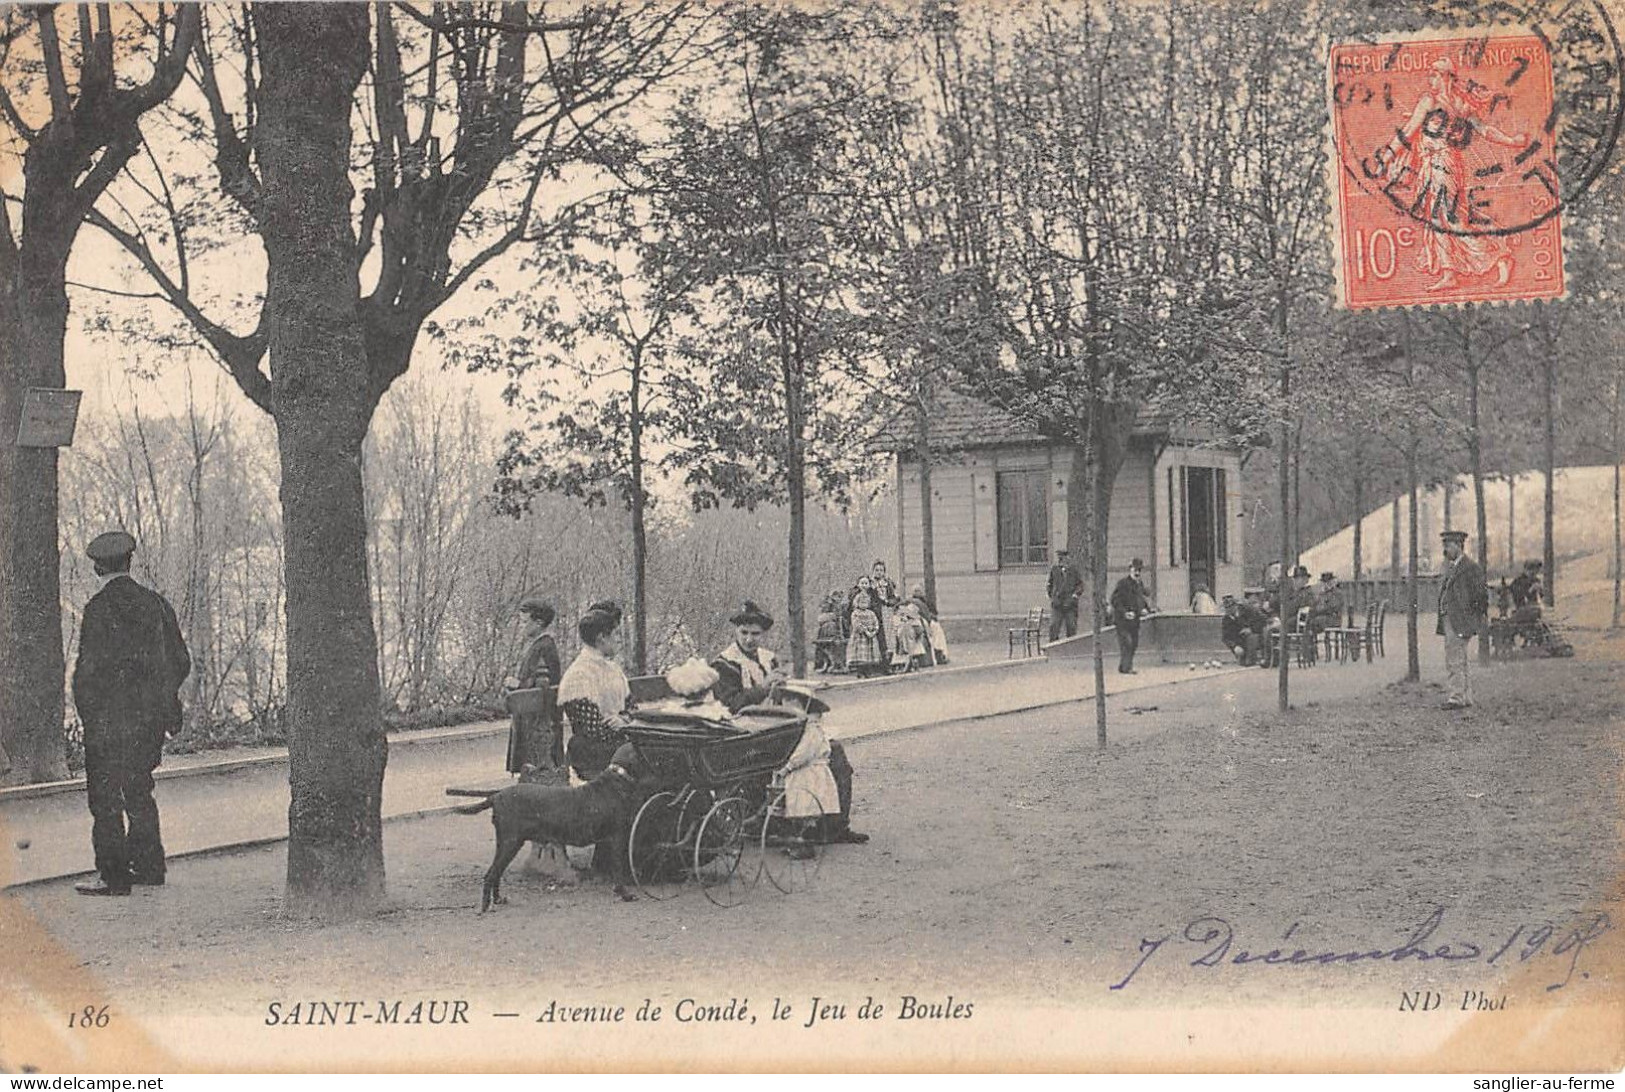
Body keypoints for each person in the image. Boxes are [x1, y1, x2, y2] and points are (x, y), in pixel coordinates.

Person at [70, 531, 191, 896]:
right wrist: (160, 702)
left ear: (96, 567)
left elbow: (87, 674)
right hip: (148, 723)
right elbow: (180, 661)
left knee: (106, 798)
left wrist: (89, 714)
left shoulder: (97, 610)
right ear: (129, 562)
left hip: (108, 723)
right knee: (140, 789)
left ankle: (113, 876)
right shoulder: (156, 605)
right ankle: (150, 867)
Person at [709, 602, 867, 845]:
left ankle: (835, 825)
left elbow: (782, 697)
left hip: (776, 729)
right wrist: (762, 688)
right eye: (744, 633)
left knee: (833, 751)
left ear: (763, 634)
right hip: (746, 737)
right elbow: (731, 705)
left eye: (755, 634)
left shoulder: (768, 659)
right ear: (735, 632)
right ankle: (792, 824)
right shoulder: (724, 664)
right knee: (809, 756)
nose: (750, 639)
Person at [556, 609, 632, 781]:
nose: (619, 640)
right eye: (616, 635)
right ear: (601, 638)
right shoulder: (579, 676)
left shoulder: (613, 669)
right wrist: (627, 728)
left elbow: (633, 708)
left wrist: (625, 721)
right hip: (593, 751)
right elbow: (591, 730)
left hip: (617, 742)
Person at [504, 598, 562, 773]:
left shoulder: (543, 647)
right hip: (536, 719)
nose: (521, 626)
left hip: (537, 722)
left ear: (538, 623)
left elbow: (542, 686)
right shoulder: (543, 645)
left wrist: (517, 684)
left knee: (534, 768)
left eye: (524, 622)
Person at [1437, 529, 1488, 709]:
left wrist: (1471, 617)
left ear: (1459, 546)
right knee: (1460, 658)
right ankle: (1465, 696)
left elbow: (1481, 596)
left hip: (1459, 619)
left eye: (1448, 546)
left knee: (1455, 659)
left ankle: (1457, 697)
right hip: (1451, 618)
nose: (1445, 550)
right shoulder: (1452, 567)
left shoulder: (1470, 568)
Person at [1109, 558, 1153, 674]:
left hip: (1134, 621)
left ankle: (1124, 666)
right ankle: (1127, 668)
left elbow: (1140, 600)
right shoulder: (1123, 583)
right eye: (1135, 570)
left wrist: (1145, 609)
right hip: (1122, 621)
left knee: (1133, 643)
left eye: (1139, 570)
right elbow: (1115, 600)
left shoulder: (1139, 584)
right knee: (1126, 642)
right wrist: (1124, 613)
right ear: (1130, 569)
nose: (1137, 573)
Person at [844, 591, 885, 676]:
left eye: (866, 602)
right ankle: (860, 672)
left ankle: (868, 671)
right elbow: (856, 624)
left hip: (870, 637)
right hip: (860, 637)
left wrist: (874, 631)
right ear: (857, 603)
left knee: (869, 655)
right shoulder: (855, 613)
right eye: (862, 602)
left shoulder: (871, 613)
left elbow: (876, 623)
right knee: (860, 655)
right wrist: (865, 631)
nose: (864, 604)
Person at [908, 583, 950, 665]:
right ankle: (938, 652)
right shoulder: (911, 601)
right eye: (915, 591)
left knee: (937, 628)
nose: (917, 593)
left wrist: (930, 617)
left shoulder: (926, 601)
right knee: (934, 628)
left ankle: (940, 652)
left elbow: (932, 612)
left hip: (928, 621)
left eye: (919, 590)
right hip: (919, 621)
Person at [1047, 548, 1084, 640]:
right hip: (1057, 604)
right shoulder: (1055, 570)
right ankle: (1053, 646)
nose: (1061, 561)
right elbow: (1050, 584)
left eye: (1063, 558)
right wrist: (1053, 597)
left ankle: (1071, 647)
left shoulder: (1073, 570)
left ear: (1067, 558)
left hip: (1070, 604)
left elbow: (1080, 585)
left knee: (1071, 626)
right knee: (1053, 626)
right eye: (1059, 558)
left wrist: (1075, 596)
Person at [1221, 593, 1265, 666]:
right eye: (1226, 608)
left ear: (1235, 606)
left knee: (1251, 637)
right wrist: (1234, 646)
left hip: (1256, 635)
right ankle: (1244, 658)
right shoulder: (1226, 619)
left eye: (1230, 607)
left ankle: (1252, 659)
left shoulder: (1248, 609)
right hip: (1240, 641)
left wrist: (1251, 629)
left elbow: (1262, 620)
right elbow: (1225, 637)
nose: (1228, 610)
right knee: (1242, 663)